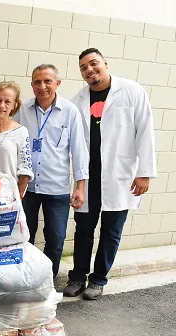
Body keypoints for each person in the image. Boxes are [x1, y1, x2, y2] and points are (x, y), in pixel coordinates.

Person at [0, 65, 89, 277]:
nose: (42, 86)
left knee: (55, 238)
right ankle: (24, 279)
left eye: (47, 81)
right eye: (37, 82)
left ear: (57, 83)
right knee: (23, 237)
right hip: (25, 188)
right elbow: (3, 124)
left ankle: (47, 280)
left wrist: (80, 187)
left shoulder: (70, 111)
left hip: (57, 188)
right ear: (32, 85)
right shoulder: (23, 109)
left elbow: (80, 151)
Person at [64, 48, 156, 300]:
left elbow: (145, 130)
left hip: (120, 175)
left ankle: (98, 279)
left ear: (105, 63)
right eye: (83, 67)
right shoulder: (77, 100)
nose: (89, 70)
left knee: (111, 231)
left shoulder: (131, 91)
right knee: (83, 228)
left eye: (94, 64)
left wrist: (144, 172)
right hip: (88, 176)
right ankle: (77, 277)